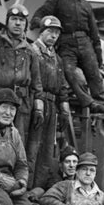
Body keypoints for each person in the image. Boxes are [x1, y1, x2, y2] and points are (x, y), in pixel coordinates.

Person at [30, 0, 104, 118]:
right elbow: (43, 12)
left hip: (85, 42)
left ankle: (103, 106)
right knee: (69, 72)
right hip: (66, 42)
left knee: (94, 74)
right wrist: (37, 22)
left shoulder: (86, 5)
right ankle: (90, 103)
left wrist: (97, 51)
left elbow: (94, 30)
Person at [0, 4, 45, 160]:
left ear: (26, 25)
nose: (18, 23)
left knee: (17, 144)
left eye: (21, 20)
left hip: (22, 103)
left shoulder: (30, 51)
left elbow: (37, 82)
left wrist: (38, 107)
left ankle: (14, 181)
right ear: (7, 22)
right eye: (14, 19)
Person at [28, 16, 72, 187]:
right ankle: (26, 186)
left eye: (56, 33)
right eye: (50, 32)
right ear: (42, 32)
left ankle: (37, 187)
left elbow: (62, 87)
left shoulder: (57, 59)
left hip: (51, 106)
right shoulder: (32, 52)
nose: (54, 36)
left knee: (46, 149)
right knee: (31, 146)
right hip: (35, 103)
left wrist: (64, 109)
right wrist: (36, 105)